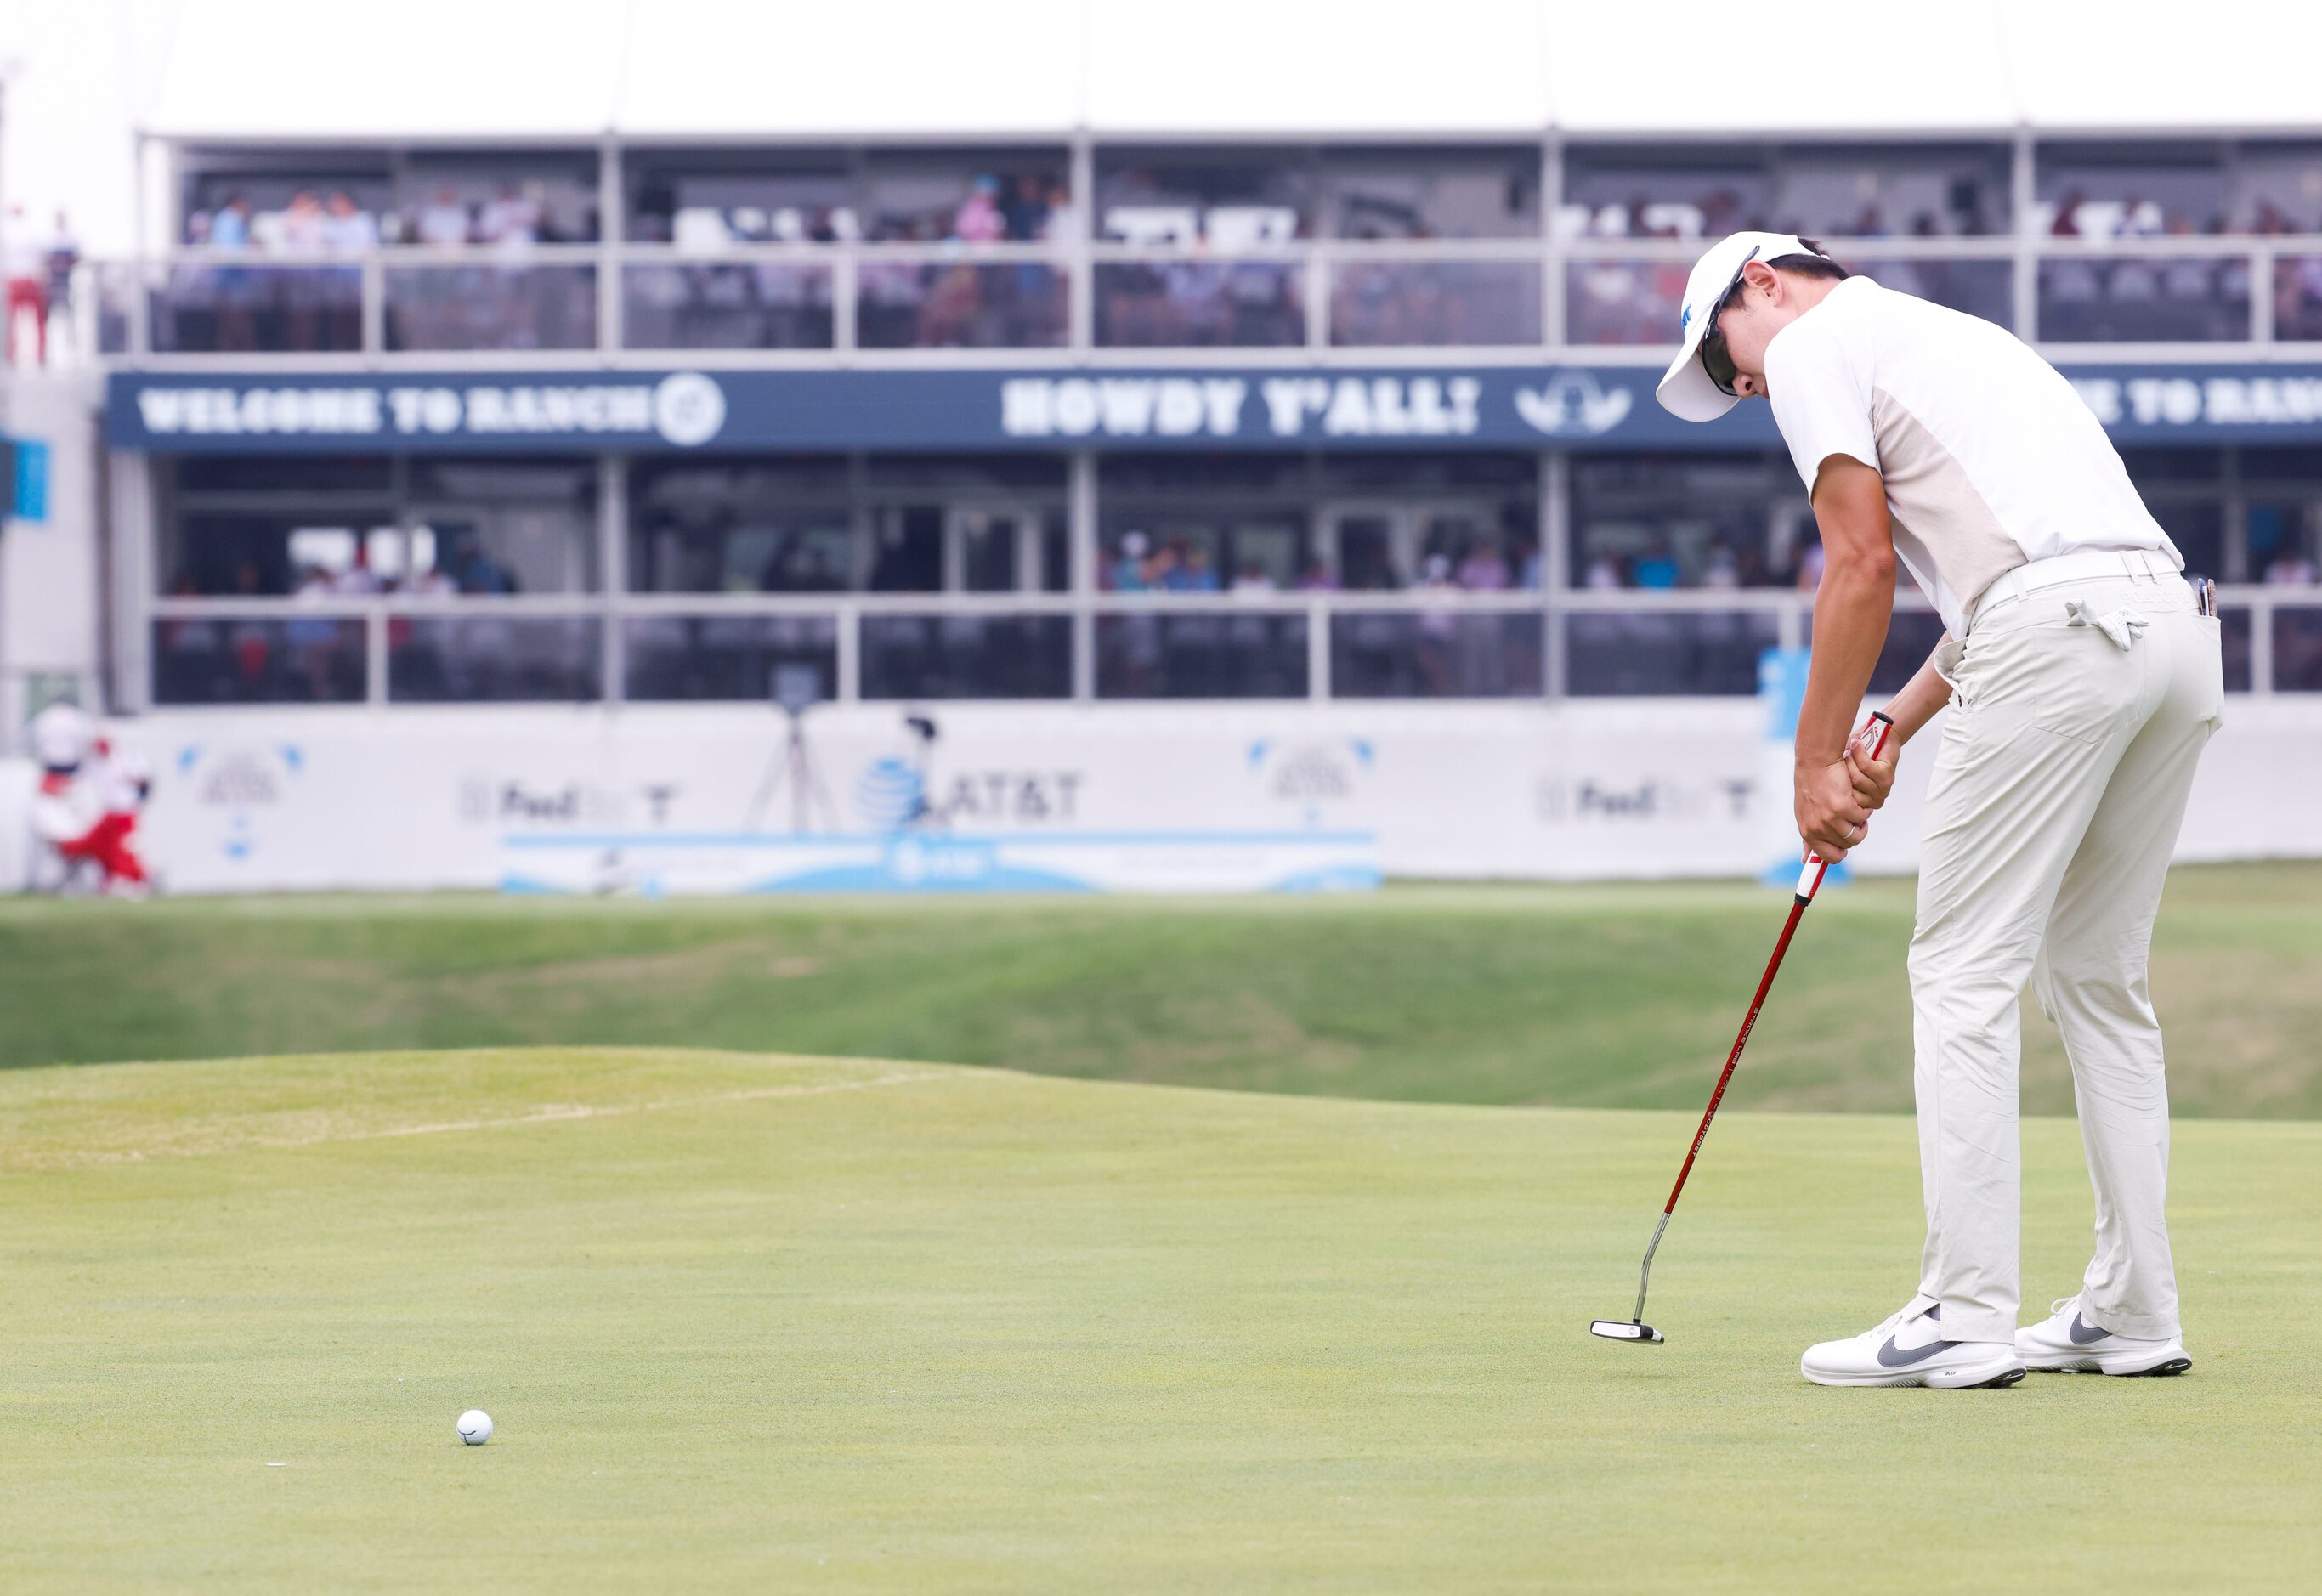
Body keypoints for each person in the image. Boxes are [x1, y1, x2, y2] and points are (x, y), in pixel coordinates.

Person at [1657, 230, 2217, 1390]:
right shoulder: (1962, 338)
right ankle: (2132, 1308)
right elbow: (2028, 572)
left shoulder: (1815, 338)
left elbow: (1857, 567)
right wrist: (1892, 727)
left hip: (2054, 636)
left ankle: (1963, 1312)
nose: (1744, 384)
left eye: (1725, 357)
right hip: (2174, 632)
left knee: (1963, 971)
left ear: (1762, 284)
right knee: (2098, 980)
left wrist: (1815, 765)